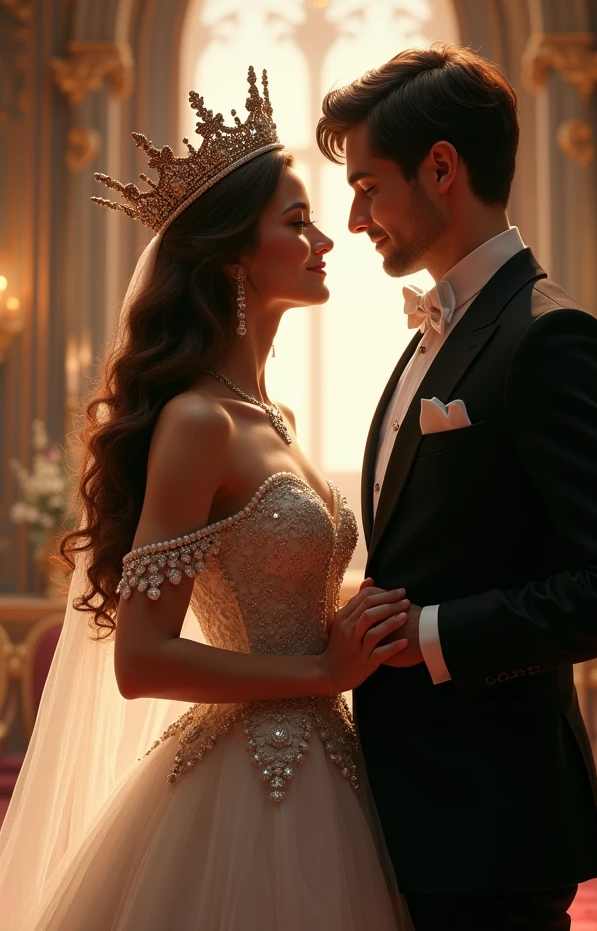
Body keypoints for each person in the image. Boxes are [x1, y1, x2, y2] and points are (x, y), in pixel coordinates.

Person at [0, 68, 412, 930]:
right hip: (243, 792)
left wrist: (359, 614)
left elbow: (276, 586)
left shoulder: (273, 417)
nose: (326, 239)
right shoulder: (197, 422)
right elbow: (141, 660)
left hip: (331, 766)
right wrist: (320, 671)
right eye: (297, 223)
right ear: (234, 255)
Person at [316, 43, 597, 931]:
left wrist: (431, 634)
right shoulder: (430, 334)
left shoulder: (551, 339)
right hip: (409, 814)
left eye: (368, 186)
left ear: (441, 168)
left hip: (493, 825)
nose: (356, 218)